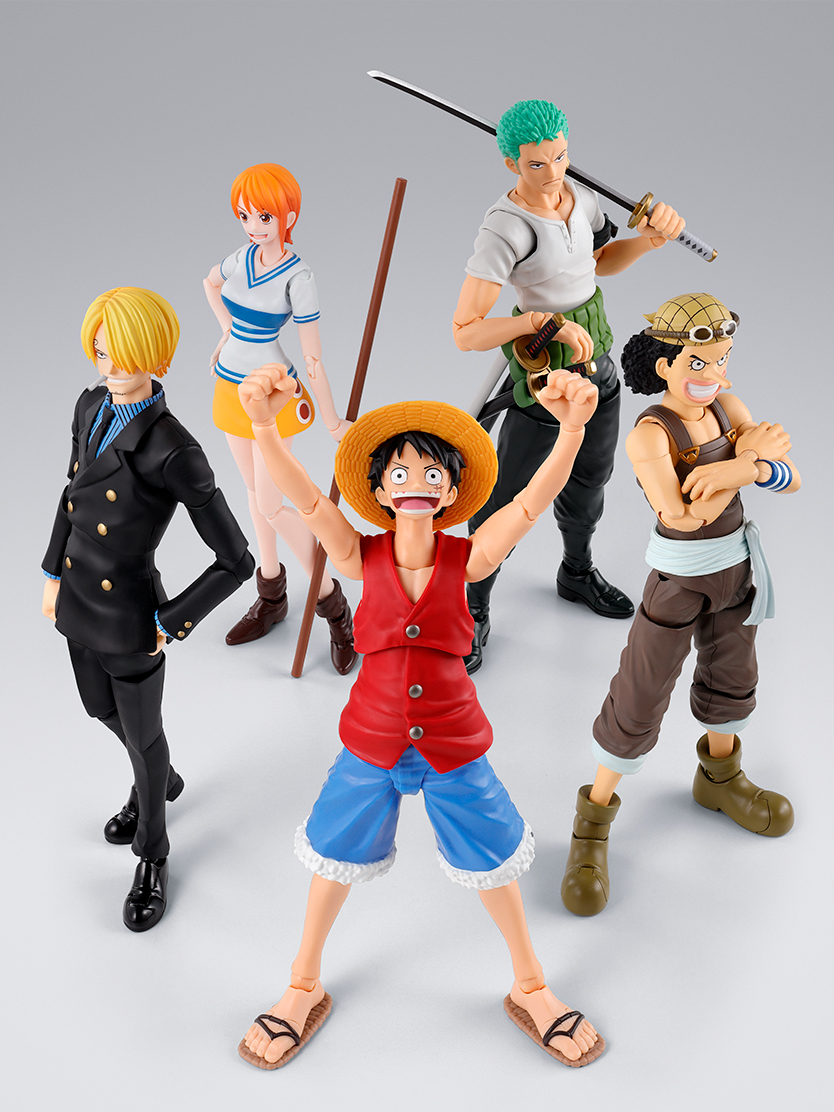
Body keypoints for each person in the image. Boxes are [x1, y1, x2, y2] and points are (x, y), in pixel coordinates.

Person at [234, 363, 604, 1069]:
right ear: (377, 489)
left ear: (451, 491)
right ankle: (302, 981)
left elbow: (530, 503)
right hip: (370, 740)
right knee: (333, 852)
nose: (416, 485)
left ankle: (531, 984)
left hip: (453, 743)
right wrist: (262, 428)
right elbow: (306, 498)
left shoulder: (469, 558)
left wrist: (571, 433)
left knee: (494, 857)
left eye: (432, 474)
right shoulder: (357, 554)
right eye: (400, 473)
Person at [559, 293, 798, 917]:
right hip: (681, 576)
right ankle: (591, 824)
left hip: (737, 568)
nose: (713, 374)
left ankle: (720, 778)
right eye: (698, 361)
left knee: (733, 675)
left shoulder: (728, 408)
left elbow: (790, 476)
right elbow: (680, 515)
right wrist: (745, 466)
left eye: (721, 359)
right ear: (665, 364)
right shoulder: (651, 434)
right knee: (641, 690)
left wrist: (743, 468)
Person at [41, 287, 255, 931]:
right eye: (101, 350)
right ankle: (159, 777)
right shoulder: (88, 406)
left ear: (157, 356)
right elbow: (71, 495)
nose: (110, 366)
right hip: (77, 595)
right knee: (97, 708)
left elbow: (236, 559)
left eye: (124, 353)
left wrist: (172, 620)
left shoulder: (174, 449)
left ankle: (153, 852)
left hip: (131, 612)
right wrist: (50, 571)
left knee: (142, 736)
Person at [454, 98, 685, 671]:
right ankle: (471, 605)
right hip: (544, 379)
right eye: (537, 164)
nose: (553, 172)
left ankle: (576, 571)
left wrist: (649, 242)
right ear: (512, 163)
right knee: (505, 496)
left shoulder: (582, 200)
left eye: (560, 156)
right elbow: (466, 331)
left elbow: (599, 263)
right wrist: (538, 322)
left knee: (590, 481)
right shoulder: (505, 228)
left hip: (597, 364)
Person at [203, 163, 355, 673]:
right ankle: (272, 595)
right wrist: (227, 331)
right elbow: (209, 282)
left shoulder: (299, 277)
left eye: (264, 216)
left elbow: (313, 359)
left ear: (288, 215)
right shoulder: (241, 257)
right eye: (245, 215)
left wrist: (332, 421)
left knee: (272, 504)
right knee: (253, 493)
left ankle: (332, 603)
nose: (253, 226)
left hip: (272, 394)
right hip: (230, 387)